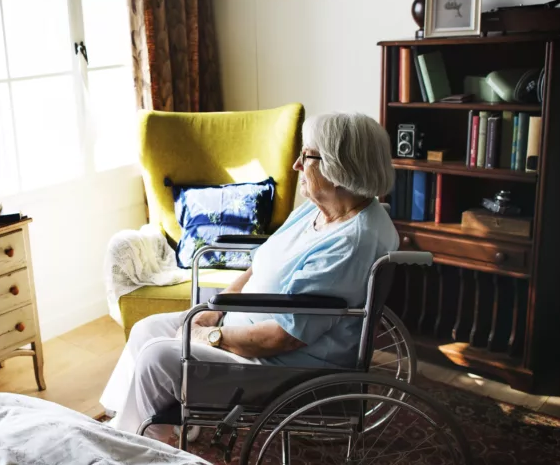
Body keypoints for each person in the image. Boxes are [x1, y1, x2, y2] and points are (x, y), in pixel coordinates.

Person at [100, 112, 399, 436]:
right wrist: (214, 311)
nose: (296, 165)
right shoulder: (316, 210)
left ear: (338, 168)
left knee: (157, 356)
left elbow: (284, 337)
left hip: (280, 367)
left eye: (306, 156)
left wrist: (211, 336)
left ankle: (136, 445)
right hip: (242, 332)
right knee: (146, 330)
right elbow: (259, 265)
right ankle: (129, 425)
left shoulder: (350, 244)